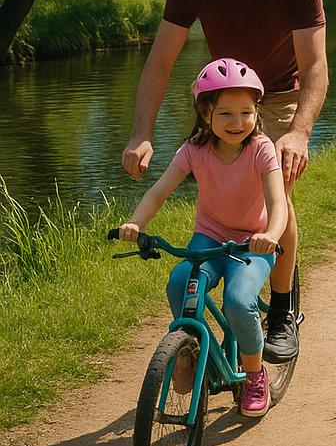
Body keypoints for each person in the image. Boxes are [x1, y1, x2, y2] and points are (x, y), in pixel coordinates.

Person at [121, 0, 328, 362]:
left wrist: (299, 132)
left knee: (275, 187)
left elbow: (315, 67)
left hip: (276, 95)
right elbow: (160, 61)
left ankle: (282, 310)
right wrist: (141, 132)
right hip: (223, 95)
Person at [117, 58, 287, 418]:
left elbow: (277, 202)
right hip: (208, 239)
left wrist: (270, 234)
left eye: (246, 112)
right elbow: (159, 191)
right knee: (179, 283)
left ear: (257, 111)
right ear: (205, 111)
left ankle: (254, 373)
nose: (237, 122)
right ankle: (190, 350)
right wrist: (136, 224)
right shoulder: (195, 149)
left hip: (252, 244)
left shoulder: (261, 149)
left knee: (239, 301)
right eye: (226, 114)